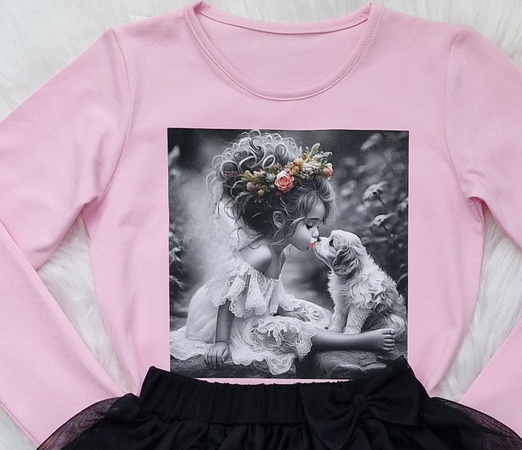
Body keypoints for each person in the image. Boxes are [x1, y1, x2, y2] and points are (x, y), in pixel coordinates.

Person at [169, 129, 399, 374]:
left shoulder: (282, 252)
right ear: (280, 220)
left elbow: (268, 292)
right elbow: (227, 297)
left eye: (317, 226)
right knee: (294, 330)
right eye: (309, 225)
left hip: (252, 311)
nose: (316, 233)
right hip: (223, 320)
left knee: (314, 313)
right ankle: (359, 341)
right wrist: (221, 342)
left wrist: (285, 309)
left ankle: (331, 331)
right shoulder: (262, 255)